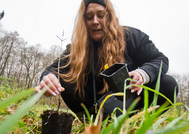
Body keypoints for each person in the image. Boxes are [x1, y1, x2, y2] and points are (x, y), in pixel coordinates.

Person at [36, 0, 178, 119]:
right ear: (83, 21)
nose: (95, 21)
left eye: (100, 15)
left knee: (168, 84)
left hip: (128, 103)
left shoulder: (132, 36)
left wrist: (142, 73)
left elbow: (160, 60)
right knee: (63, 75)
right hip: (92, 110)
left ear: (109, 16)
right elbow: (53, 69)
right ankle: (91, 122)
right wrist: (48, 79)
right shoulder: (76, 49)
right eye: (89, 17)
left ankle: (138, 121)